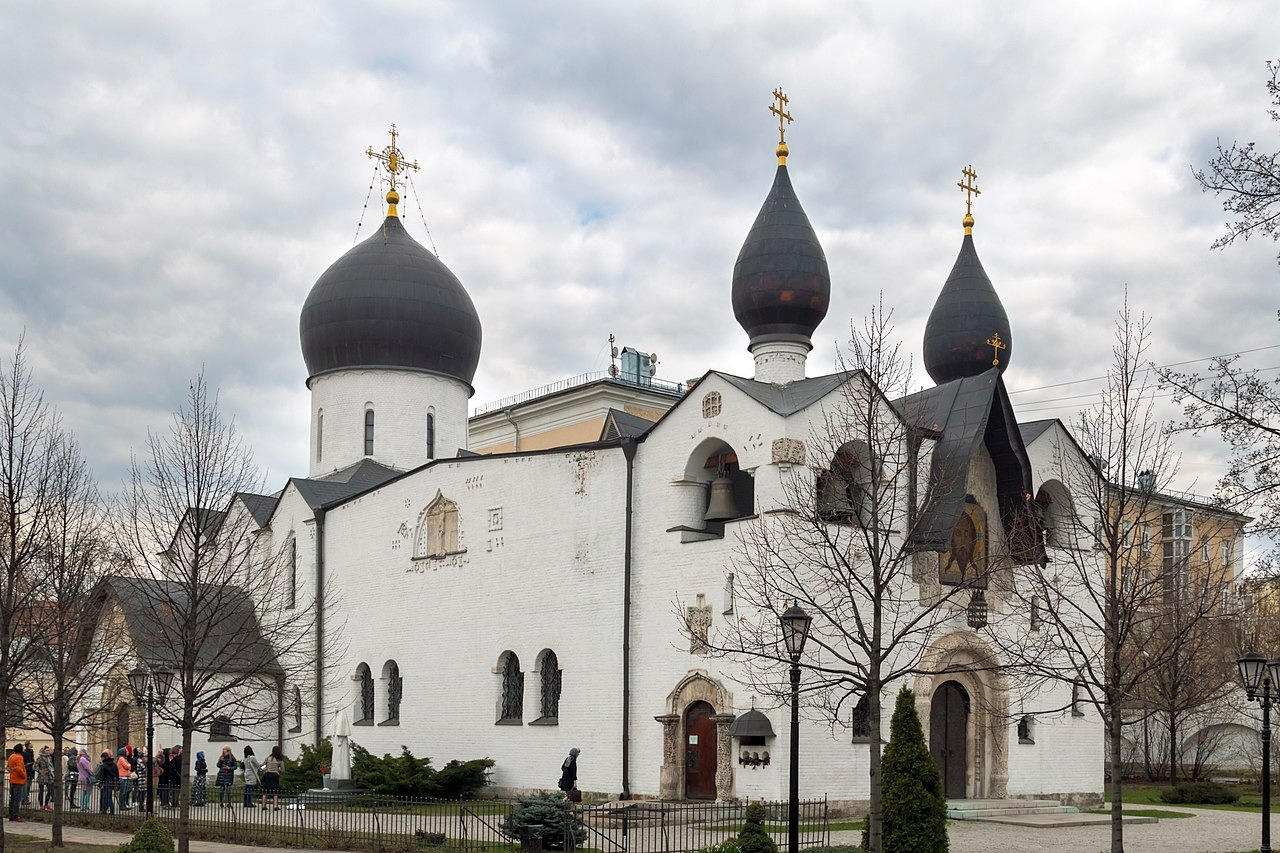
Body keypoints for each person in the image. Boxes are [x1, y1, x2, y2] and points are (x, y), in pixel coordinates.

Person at [7, 743, 27, 821]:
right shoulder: (19, 757)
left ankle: (11, 815)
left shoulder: (11, 756)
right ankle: (16, 816)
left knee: (12, 798)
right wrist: (24, 776)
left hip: (12, 779)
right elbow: (19, 769)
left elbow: (8, 767)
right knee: (17, 799)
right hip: (18, 781)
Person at [261, 746, 283, 810]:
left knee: (266, 790)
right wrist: (278, 769)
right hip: (275, 775)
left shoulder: (268, 758)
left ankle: (263, 805)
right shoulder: (279, 760)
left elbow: (262, 766)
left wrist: (266, 768)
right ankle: (275, 806)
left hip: (267, 774)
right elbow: (283, 769)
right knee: (275, 790)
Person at [97, 750, 117, 814]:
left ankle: (110, 810)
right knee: (108, 796)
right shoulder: (113, 764)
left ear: (103, 758)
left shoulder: (103, 765)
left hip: (106, 781)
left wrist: (100, 784)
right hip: (112, 781)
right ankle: (104, 810)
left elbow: (102, 776)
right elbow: (117, 773)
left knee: (106, 797)